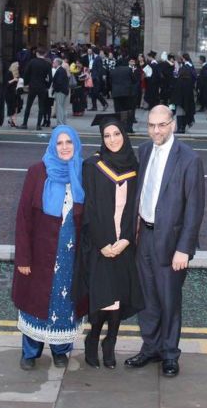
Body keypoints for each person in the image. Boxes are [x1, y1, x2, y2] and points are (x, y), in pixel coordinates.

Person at [125, 105, 205, 377]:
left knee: (169, 301)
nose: (156, 130)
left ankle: (170, 354)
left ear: (172, 124)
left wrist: (184, 248)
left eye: (161, 125)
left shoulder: (189, 159)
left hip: (171, 243)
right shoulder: (145, 150)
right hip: (144, 236)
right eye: (151, 125)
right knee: (146, 299)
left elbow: (194, 208)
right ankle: (151, 348)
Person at [12, 126, 89, 370]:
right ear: (52, 146)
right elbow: (23, 218)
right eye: (59, 142)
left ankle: (60, 350)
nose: (65, 147)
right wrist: (23, 258)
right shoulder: (37, 172)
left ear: (76, 145)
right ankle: (30, 351)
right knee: (35, 302)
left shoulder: (83, 173)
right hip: (39, 253)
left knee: (65, 304)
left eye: (69, 142)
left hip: (70, 256)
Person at [75, 118, 144, 369]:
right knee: (102, 296)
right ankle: (93, 338)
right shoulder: (93, 165)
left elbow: (135, 206)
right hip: (99, 242)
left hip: (124, 241)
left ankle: (110, 342)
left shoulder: (134, 167)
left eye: (116, 133)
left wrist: (126, 239)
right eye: (107, 135)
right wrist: (103, 242)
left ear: (124, 135)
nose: (112, 139)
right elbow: (89, 208)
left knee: (118, 297)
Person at [20, 48, 53, 130]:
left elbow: (26, 73)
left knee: (28, 105)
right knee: (41, 106)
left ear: (37, 53)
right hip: (42, 87)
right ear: (44, 54)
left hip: (32, 86)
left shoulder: (32, 62)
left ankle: (24, 123)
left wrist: (26, 83)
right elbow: (50, 78)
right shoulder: (47, 64)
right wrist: (47, 86)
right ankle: (38, 125)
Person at [110, 56, 138, 134]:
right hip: (127, 93)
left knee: (118, 112)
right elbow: (134, 80)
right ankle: (129, 128)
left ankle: (120, 127)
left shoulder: (113, 71)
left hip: (116, 94)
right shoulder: (128, 70)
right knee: (129, 111)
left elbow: (109, 83)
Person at [170, 56, 196, 132]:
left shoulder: (179, 81)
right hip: (187, 102)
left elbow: (175, 92)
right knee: (186, 113)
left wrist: (172, 103)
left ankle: (179, 128)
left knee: (179, 114)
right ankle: (183, 128)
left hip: (179, 102)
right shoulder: (189, 81)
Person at [49, 57, 70, 126]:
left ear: (57, 63)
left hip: (60, 91)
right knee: (62, 108)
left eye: (54, 62)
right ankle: (63, 123)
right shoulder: (62, 70)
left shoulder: (60, 70)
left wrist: (55, 89)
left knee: (59, 108)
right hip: (64, 91)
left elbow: (59, 82)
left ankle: (60, 124)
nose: (53, 64)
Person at [5, 60, 23, 128]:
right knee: (12, 107)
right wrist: (14, 80)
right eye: (17, 66)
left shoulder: (17, 73)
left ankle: (11, 121)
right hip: (9, 93)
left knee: (15, 107)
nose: (18, 67)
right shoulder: (9, 73)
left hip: (16, 92)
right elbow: (6, 83)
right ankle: (13, 122)